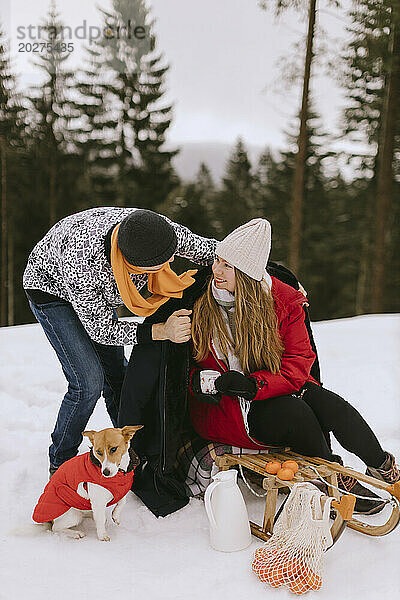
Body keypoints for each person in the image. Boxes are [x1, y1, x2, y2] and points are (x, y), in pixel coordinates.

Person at [188, 218, 399, 514]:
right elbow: (182, 372)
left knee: (331, 405)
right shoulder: (200, 305)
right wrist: (208, 383)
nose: (216, 271)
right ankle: (334, 480)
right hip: (227, 410)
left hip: (264, 389)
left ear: (248, 274)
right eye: (217, 261)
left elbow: (298, 365)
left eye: (227, 266)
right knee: (296, 412)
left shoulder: (283, 302)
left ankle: (383, 467)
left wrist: (253, 385)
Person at [23, 207, 216, 475]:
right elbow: (102, 331)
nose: (173, 259)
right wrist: (160, 331)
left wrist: (269, 276)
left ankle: (129, 450)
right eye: (161, 264)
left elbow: (211, 251)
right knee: (87, 383)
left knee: (118, 375)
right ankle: (61, 463)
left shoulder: (157, 232)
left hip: (93, 290)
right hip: (51, 289)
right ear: (132, 266)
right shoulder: (84, 265)